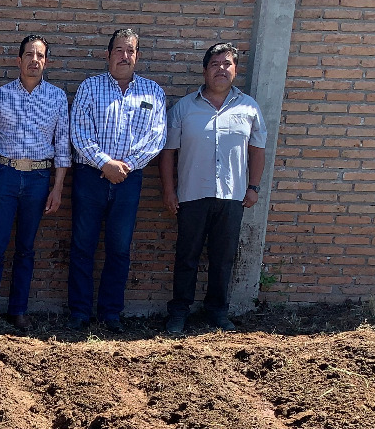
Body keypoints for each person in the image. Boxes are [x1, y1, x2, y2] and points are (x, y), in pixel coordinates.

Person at [158, 42, 267, 335]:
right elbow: (168, 152)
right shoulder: (184, 108)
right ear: (205, 70)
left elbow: (257, 150)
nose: (221, 69)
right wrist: (169, 190)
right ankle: (179, 312)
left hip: (233, 196)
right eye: (215, 64)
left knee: (223, 258)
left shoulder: (249, 108)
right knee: (187, 257)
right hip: (191, 195)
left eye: (227, 64)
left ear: (236, 70)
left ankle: (217, 311)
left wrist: (253, 187)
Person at [67, 28, 166, 332]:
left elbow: (156, 137)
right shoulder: (90, 87)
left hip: (129, 180)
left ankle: (111, 313)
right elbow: (79, 133)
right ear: (108, 55)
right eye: (119, 50)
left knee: (119, 248)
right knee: (82, 246)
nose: (125, 56)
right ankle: (79, 313)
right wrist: (105, 163)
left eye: (130, 50)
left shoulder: (152, 92)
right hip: (90, 177)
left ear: (137, 55)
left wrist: (126, 166)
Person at [0, 34, 69, 331]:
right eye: (29, 54)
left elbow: (62, 147)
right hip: (6, 175)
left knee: (26, 248)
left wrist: (57, 188)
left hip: (39, 178)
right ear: (19, 60)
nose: (34, 60)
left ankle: (18, 310)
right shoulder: (1, 95)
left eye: (40, 56)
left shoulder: (57, 97)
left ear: (46, 62)